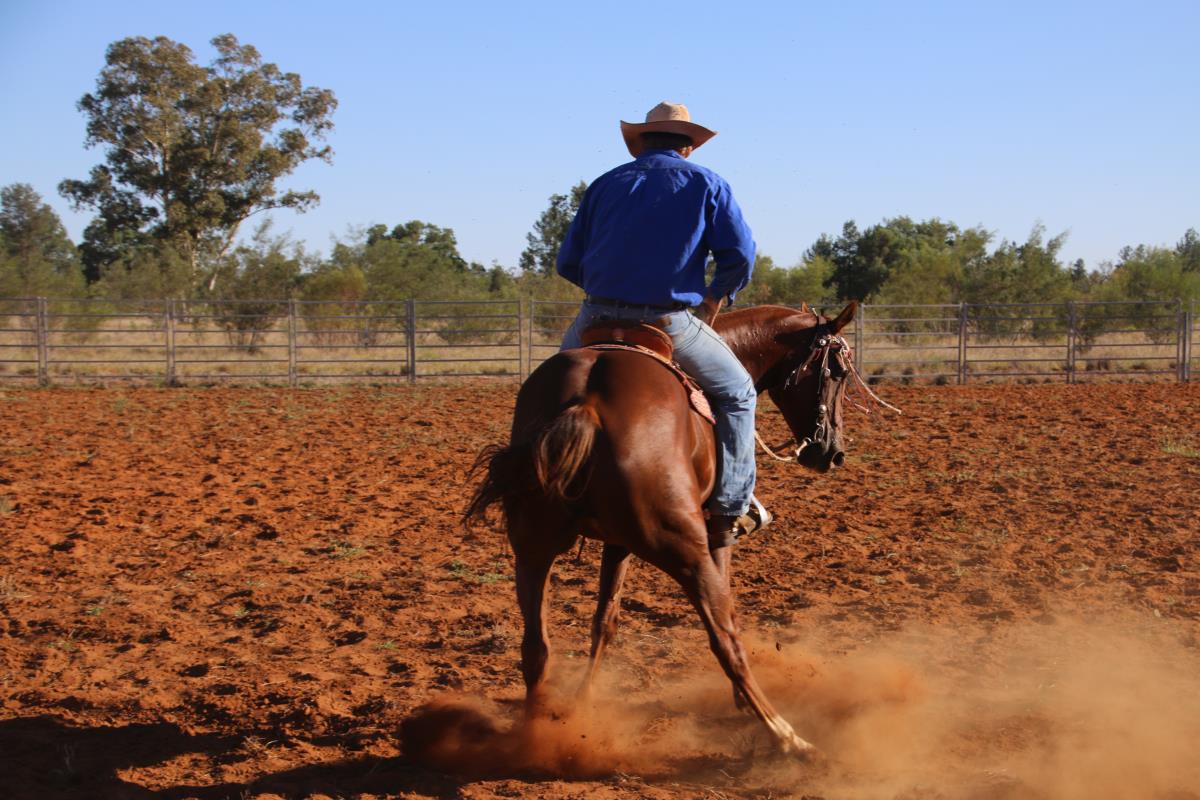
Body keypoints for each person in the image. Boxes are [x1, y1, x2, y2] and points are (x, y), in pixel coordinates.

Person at [556, 101, 768, 547]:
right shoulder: (708, 183)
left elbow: (568, 262)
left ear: (641, 143)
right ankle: (730, 508)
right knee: (738, 394)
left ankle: (542, 495)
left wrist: (606, 287)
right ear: (688, 146)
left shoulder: (605, 184)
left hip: (595, 317)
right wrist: (715, 294)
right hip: (665, 321)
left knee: (554, 392)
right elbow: (740, 256)